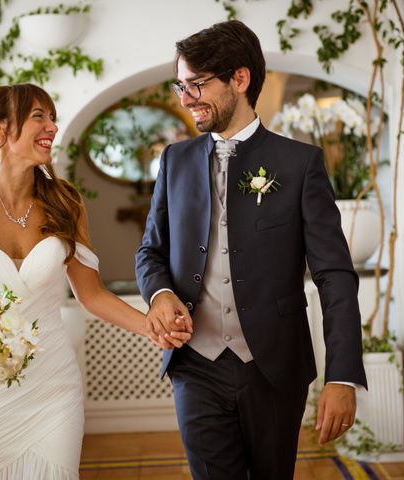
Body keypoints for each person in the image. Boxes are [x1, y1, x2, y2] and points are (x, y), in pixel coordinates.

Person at [135, 20, 367, 479]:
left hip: (274, 367)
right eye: (181, 86)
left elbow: (334, 274)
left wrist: (341, 375)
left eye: (197, 85)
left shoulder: (299, 164)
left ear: (239, 80)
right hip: (194, 365)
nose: (185, 99)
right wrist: (159, 293)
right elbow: (150, 252)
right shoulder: (175, 162)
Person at [0, 83, 190, 479]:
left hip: (52, 386)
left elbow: (91, 293)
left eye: (52, 117)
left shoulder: (66, 201)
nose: (51, 126)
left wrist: (150, 326)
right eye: (38, 117)